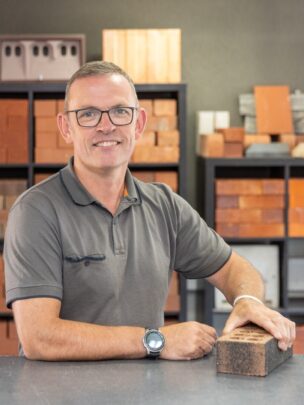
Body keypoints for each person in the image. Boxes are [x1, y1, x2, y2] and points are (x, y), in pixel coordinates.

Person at [4, 61, 295, 361]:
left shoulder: (164, 206)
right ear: (66, 127)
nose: (106, 126)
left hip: (146, 392)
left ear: (139, 124)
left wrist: (248, 301)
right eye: (88, 114)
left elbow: (235, 268)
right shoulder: (35, 212)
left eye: (119, 111)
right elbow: (40, 337)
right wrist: (155, 340)